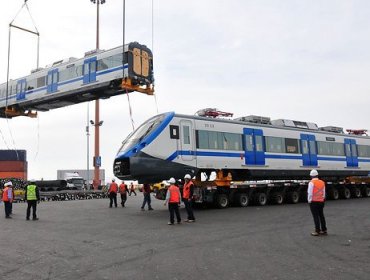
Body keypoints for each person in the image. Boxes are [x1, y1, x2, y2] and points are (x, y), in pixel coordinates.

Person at [307, 169, 327, 236]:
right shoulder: (322, 182)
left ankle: (317, 231)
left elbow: (310, 193)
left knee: (316, 216)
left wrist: (309, 201)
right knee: (321, 216)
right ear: (317, 175)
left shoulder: (311, 183)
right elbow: (323, 193)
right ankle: (324, 230)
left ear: (311, 176)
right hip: (321, 201)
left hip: (314, 202)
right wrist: (323, 199)